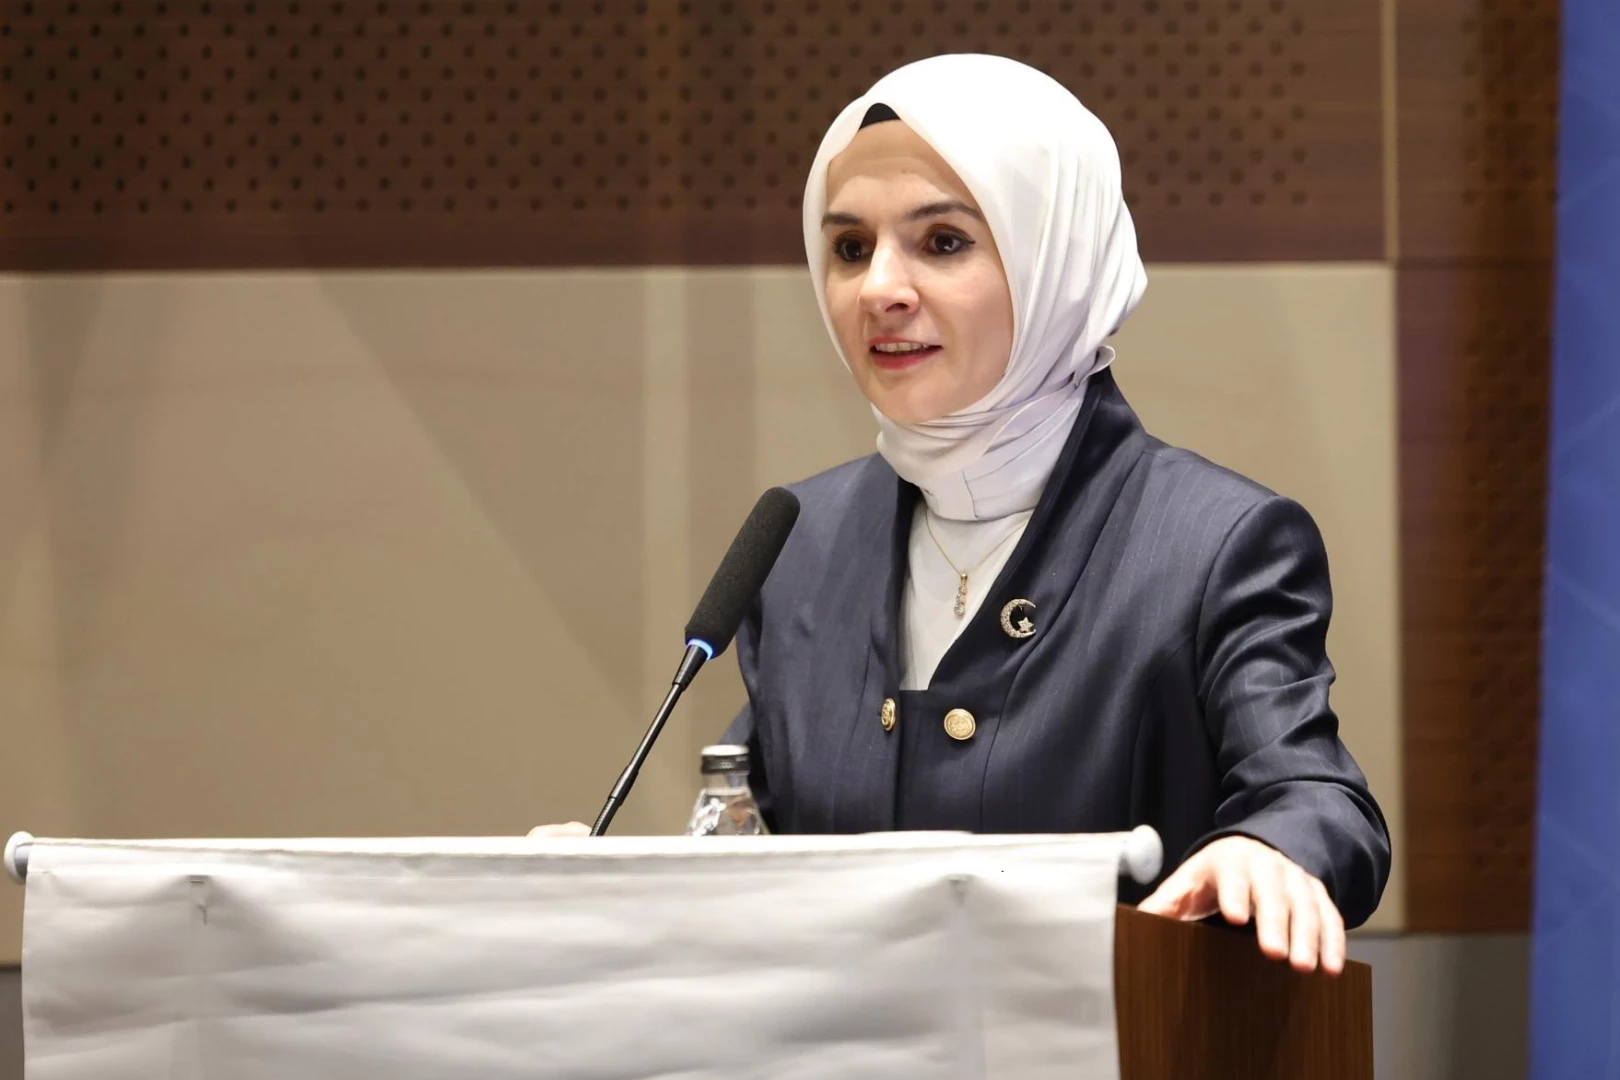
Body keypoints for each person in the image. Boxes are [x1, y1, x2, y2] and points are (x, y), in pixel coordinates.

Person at [539, 53, 1390, 977]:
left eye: (942, 242)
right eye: (850, 248)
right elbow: (760, 849)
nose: (879, 289)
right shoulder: (800, 542)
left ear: (1056, 259)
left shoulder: (1213, 542)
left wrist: (1270, 847)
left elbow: (1319, 800)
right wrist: (618, 890)